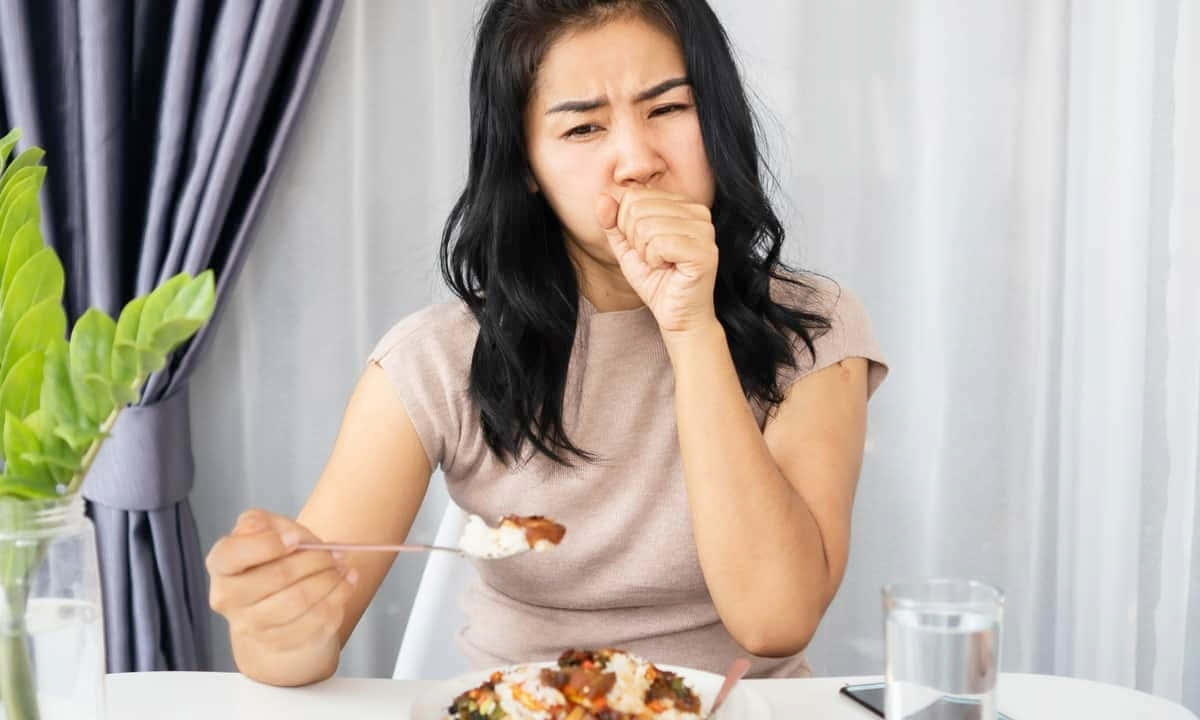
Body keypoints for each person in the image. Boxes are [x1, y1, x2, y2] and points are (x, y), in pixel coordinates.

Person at [205, 0, 888, 687]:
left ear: (718, 118)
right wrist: (276, 622)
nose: (637, 161)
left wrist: (690, 328)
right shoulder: (435, 362)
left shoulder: (812, 330)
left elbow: (776, 621)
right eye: (584, 127)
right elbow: (303, 642)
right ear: (526, 164)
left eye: (669, 109)